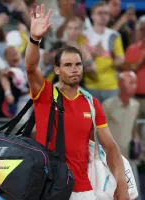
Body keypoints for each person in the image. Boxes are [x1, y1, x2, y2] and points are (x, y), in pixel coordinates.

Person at [24, 4, 129, 200]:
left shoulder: (91, 103)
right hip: (48, 188)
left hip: (84, 190)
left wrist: (121, 186)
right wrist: (35, 39)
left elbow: (111, 146)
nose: (74, 69)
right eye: (68, 65)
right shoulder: (45, 94)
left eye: (78, 64)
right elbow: (30, 67)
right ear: (56, 70)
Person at [102, 71, 141, 199]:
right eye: (131, 82)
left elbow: (134, 128)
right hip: (112, 159)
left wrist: (137, 144)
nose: (134, 86)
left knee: (135, 195)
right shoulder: (107, 106)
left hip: (130, 159)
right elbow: (98, 132)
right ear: (120, 84)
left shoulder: (136, 105)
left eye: (135, 82)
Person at [83, 1, 125, 103]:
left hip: (111, 86)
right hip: (90, 86)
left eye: (106, 13)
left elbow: (121, 59)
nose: (103, 16)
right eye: (99, 13)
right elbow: (81, 62)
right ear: (93, 16)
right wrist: (95, 55)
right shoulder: (83, 36)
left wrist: (114, 62)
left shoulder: (114, 36)